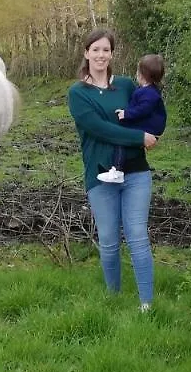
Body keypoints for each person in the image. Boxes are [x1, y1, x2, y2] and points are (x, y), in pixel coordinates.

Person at [67, 28, 159, 311]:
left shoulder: (126, 86)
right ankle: (114, 299)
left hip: (135, 173)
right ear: (86, 53)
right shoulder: (78, 93)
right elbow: (99, 129)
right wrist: (138, 137)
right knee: (108, 241)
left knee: (137, 236)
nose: (100, 55)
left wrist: (156, 131)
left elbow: (151, 108)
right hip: (99, 175)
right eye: (95, 49)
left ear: (112, 54)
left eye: (106, 50)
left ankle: (147, 305)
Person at [99, 53, 167, 184]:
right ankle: (116, 168)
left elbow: (143, 109)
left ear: (142, 74)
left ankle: (117, 170)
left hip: (149, 127)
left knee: (121, 140)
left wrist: (127, 114)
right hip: (148, 126)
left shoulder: (149, 93)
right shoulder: (147, 90)